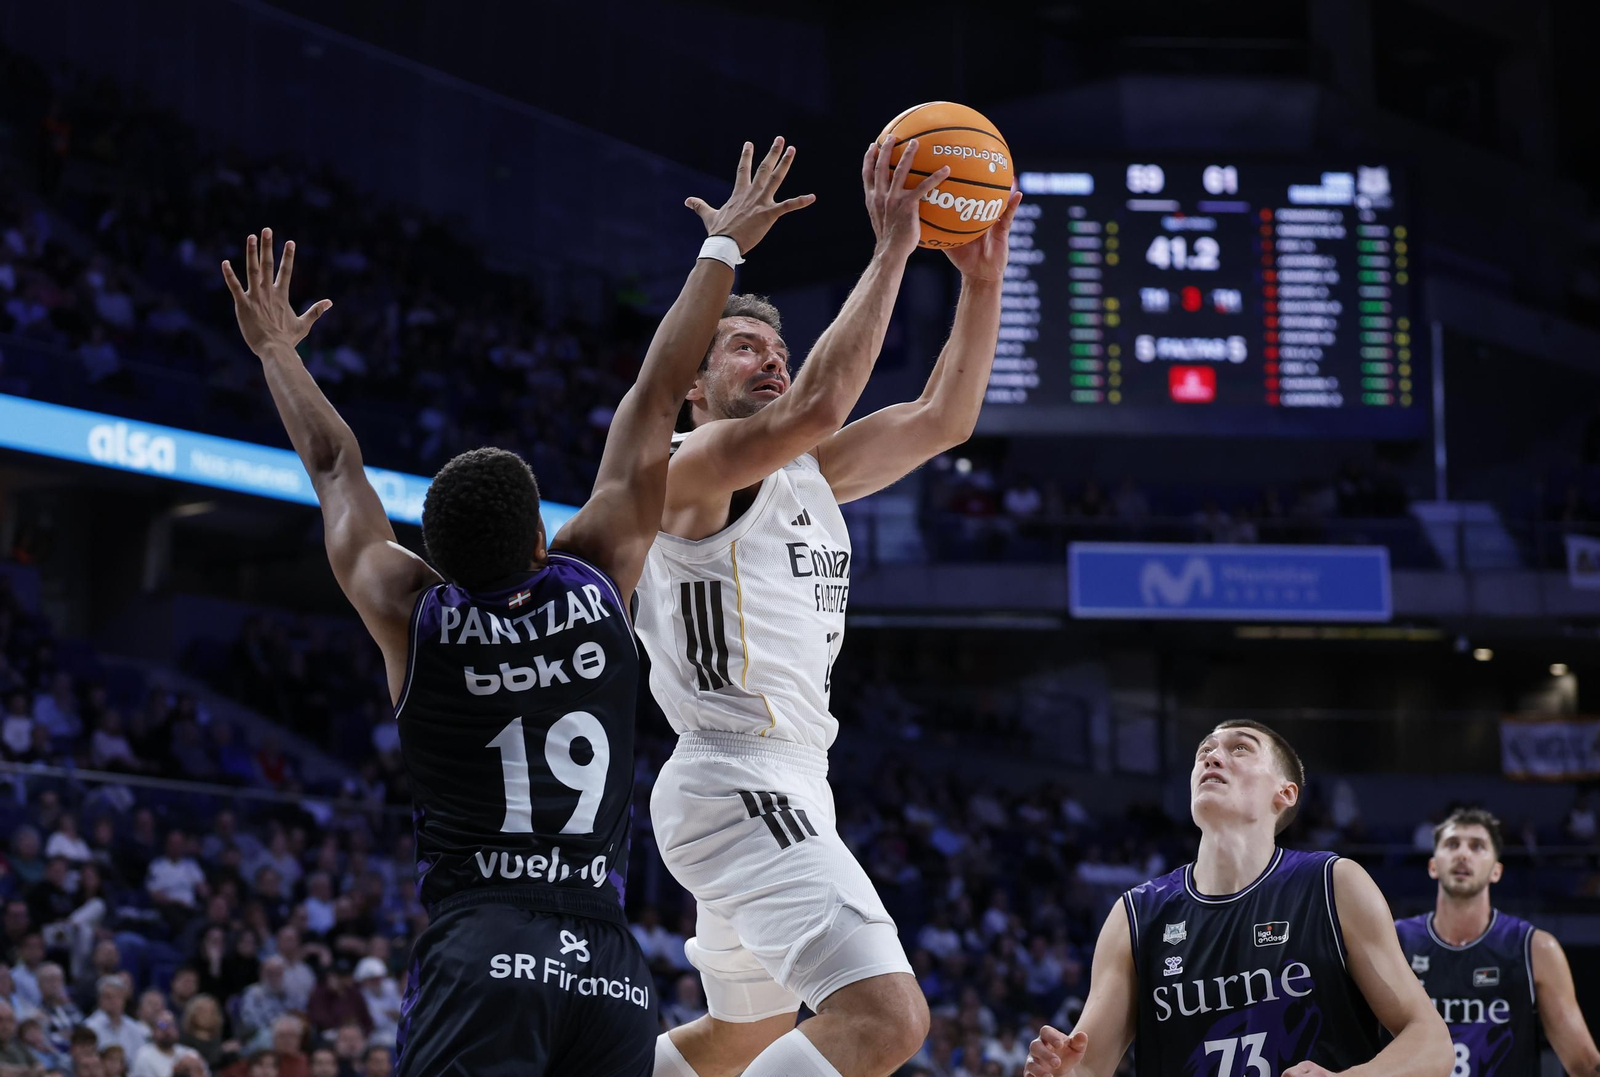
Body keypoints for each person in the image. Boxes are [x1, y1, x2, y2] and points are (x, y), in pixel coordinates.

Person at [219, 135, 812, 1077]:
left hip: (480, 949)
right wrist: (722, 247)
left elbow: (336, 465)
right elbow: (659, 394)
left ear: (433, 560)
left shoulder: (411, 608)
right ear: (542, 539)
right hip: (608, 968)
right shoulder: (596, 569)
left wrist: (277, 355)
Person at [638, 136, 1016, 1077]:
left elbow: (943, 417)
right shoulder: (686, 468)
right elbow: (815, 406)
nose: (771, 360)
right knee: (886, 1018)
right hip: (737, 776)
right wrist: (891, 247)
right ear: (692, 386)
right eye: (744, 348)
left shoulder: (806, 472)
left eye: (780, 348)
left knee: (745, 1038)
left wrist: (981, 279)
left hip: (789, 777)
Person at [1024, 720, 1452, 1076]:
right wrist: (1058, 1072)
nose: (1212, 756)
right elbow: (1087, 1066)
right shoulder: (1137, 914)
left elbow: (1431, 1043)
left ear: (1284, 793)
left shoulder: (1332, 883)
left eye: (1240, 748)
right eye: (1204, 751)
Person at [1395, 806, 1600, 1075]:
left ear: (1496, 871)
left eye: (1478, 846)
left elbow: (1584, 1065)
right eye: (1452, 844)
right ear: (1433, 865)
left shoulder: (1535, 948)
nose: (1463, 854)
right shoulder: (1396, 941)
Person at [86, 976, 150, 1060]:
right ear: (100, 999)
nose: (114, 1001)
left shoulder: (134, 1028)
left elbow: (142, 1057)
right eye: (108, 997)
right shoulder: (90, 1027)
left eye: (118, 996)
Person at [130, 1010, 201, 1077]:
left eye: (171, 1025)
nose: (167, 1030)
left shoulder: (190, 1054)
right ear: (153, 1031)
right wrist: (176, 1073)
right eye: (162, 1025)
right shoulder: (143, 1056)